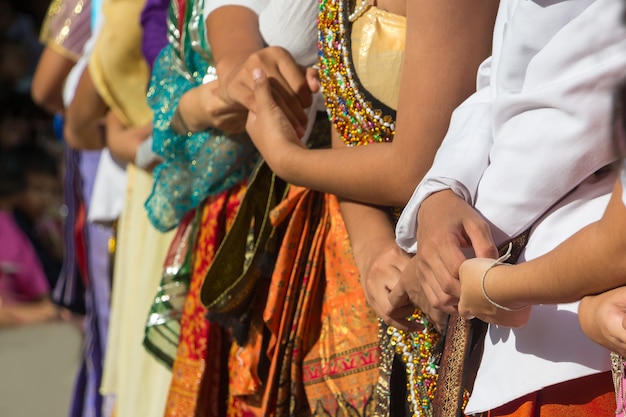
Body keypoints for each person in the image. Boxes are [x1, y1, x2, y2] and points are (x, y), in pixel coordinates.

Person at [244, 0, 496, 414]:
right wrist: (371, 247)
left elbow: (416, 167)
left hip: (457, 280)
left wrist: (287, 159)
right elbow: (350, 121)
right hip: (378, 286)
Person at [392, 0, 626, 414]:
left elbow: (566, 120)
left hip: (581, 347)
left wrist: (476, 274)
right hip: (528, 335)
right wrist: (442, 193)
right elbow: (499, 81)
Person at [0, 147, 58, 327]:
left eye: (51, 191)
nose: (44, 198)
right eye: (36, 188)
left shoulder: (18, 230)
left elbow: (43, 299)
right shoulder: (14, 228)